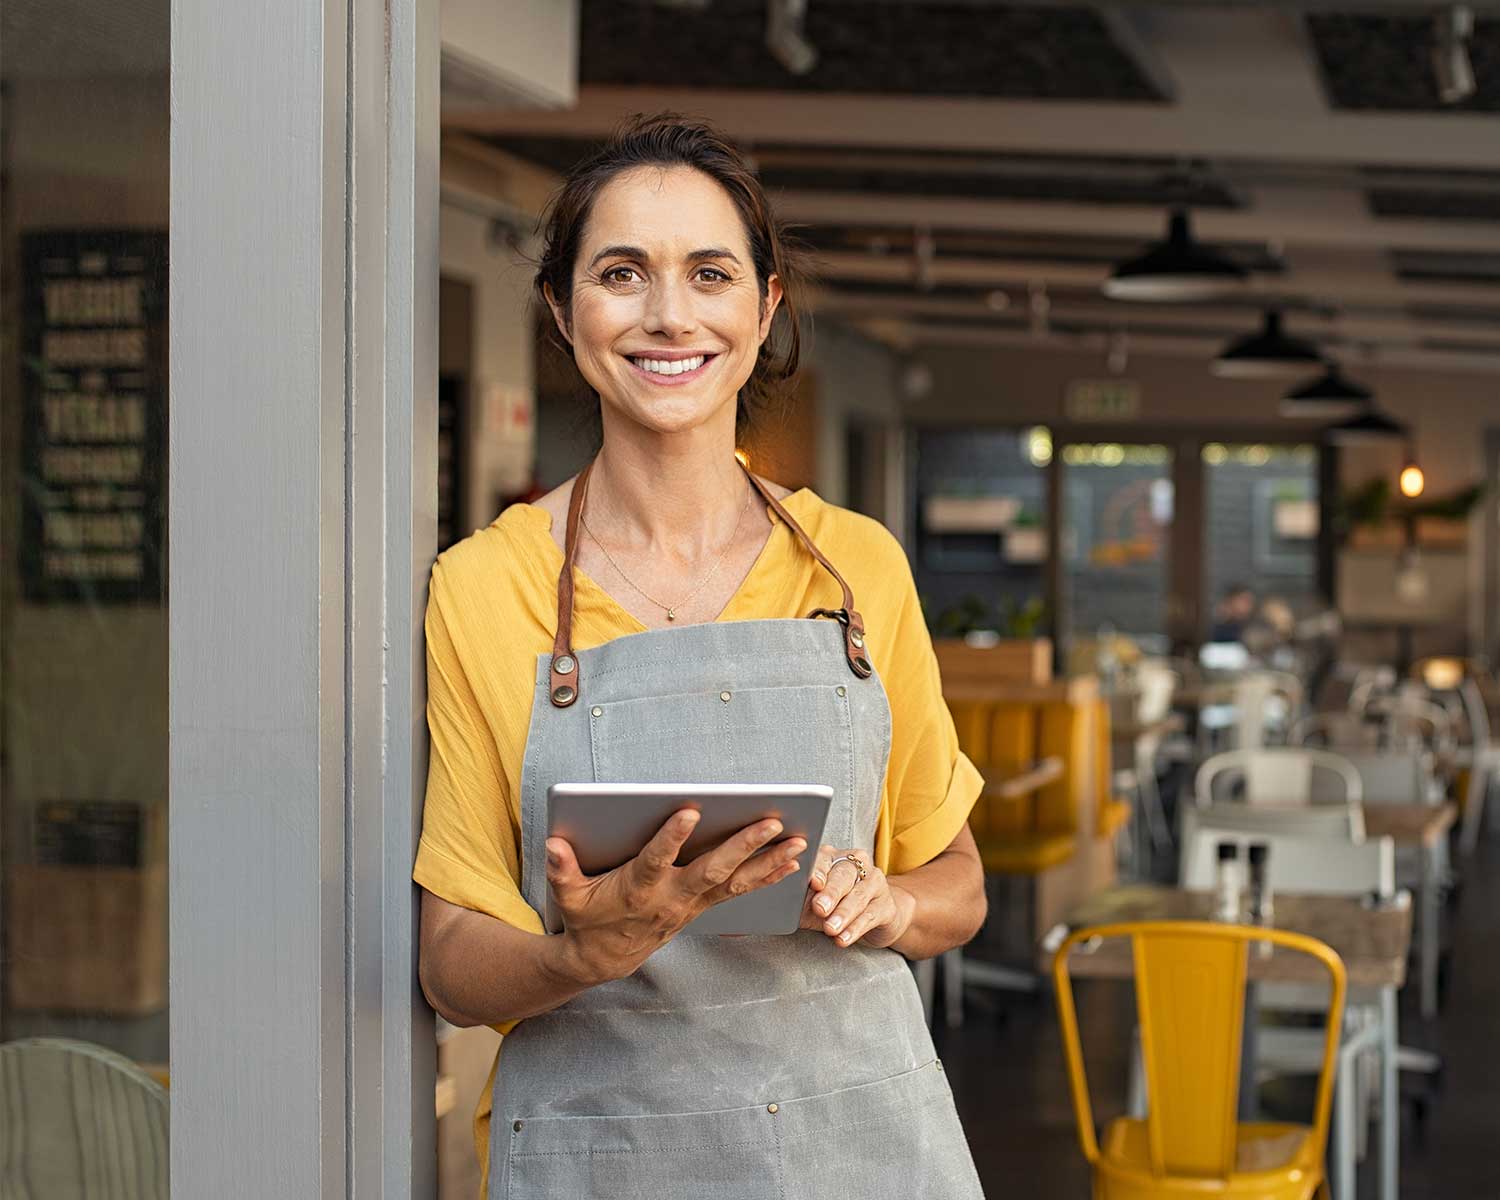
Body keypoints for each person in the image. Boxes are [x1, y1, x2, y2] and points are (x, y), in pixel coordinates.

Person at [414, 114, 988, 1198]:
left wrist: (895, 908)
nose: (668, 314)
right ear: (561, 307)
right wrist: (578, 954)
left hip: (858, 1143)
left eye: (710, 273)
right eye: (621, 272)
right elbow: (449, 955)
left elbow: (957, 880)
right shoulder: (484, 588)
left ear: (763, 307)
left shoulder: (858, 568)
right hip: (606, 1152)